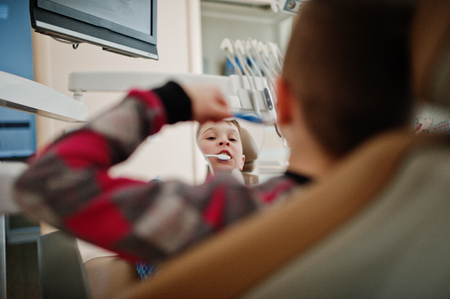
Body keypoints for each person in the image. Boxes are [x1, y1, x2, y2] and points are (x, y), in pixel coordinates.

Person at [12, 0, 413, 267]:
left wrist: (165, 102)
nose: (223, 141)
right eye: (211, 136)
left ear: (282, 103)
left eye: (231, 137)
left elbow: (46, 184)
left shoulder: (233, 209)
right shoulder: (418, 207)